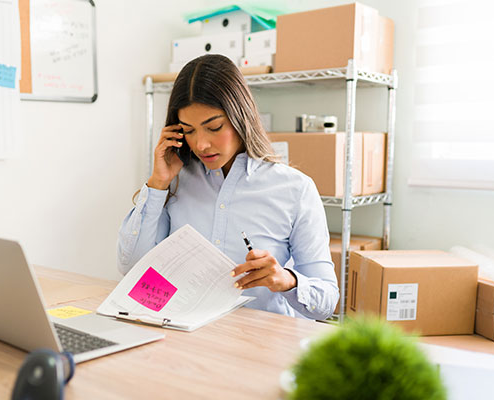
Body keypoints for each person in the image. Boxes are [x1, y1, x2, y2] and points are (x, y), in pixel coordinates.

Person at [117, 54, 338, 320]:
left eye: (214, 127)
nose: (200, 145)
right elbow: (132, 270)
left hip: (260, 344)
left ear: (240, 118)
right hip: (186, 337)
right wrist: (158, 184)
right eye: (189, 130)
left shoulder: (295, 189)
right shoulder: (175, 180)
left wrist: (287, 280)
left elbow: (327, 301)